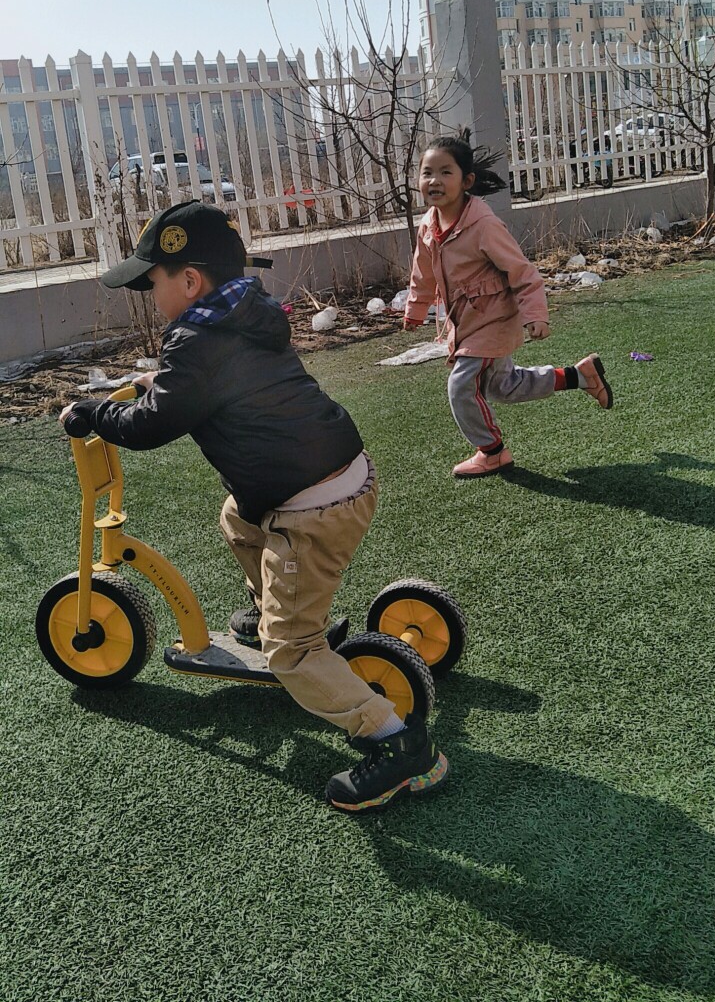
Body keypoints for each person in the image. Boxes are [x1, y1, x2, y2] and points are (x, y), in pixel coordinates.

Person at [59, 200, 448, 811]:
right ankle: (273, 607)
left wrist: (94, 414)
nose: (151, 296)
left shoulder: (195, 339)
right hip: (344, 476)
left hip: (308, 511)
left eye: (153, 283)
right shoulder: (246, 316)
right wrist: (158, 384)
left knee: (289, 652)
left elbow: (154, 423)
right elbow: (207, 383)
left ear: (190, 281)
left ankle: (398, 745)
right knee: (238, 517)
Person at [403, 133, 613, 477]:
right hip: (466, 322)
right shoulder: (429, 224)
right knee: (503, 386)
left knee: (461, 386)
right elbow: (422, 270)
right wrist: (415, 308)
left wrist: (535, 315)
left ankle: (492, 451)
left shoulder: (483, 226)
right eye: (427, 173)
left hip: (493, 319)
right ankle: (579, 376)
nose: (434, 181)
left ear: (466, 181)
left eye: (445, 172)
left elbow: (521, 271)